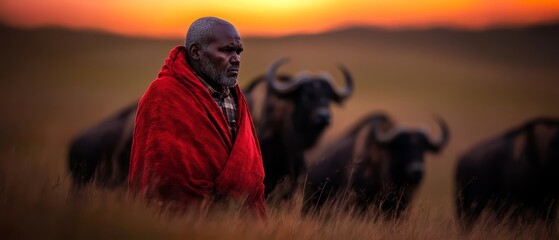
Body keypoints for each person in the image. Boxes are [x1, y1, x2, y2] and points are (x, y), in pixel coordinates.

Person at [128, 17, 267, 218]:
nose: (236, 58)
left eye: (238, 51)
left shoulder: (236, 97)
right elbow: (164, 178)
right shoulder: (163, 96)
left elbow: (250, 169)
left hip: (244, 224)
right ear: (196, 52)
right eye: (226, 50)